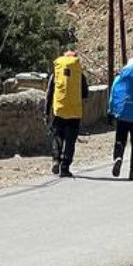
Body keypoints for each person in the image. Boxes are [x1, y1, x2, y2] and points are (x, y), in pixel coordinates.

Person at [45, 50, 88, 178]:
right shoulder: (79, 74)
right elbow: (85, 93)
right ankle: (65, 168)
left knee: (57, 135)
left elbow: (49, 93)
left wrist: (46, 112)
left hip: (59, 109)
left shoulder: (56, 73)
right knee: (70, 141)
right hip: (74, 112)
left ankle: (56, 159)